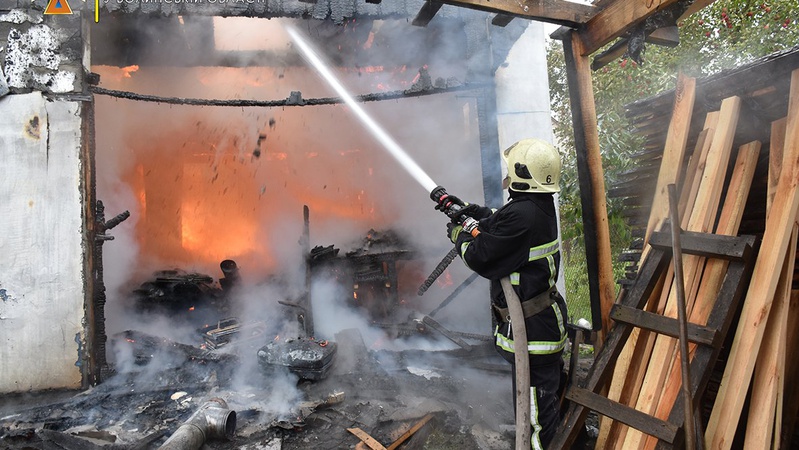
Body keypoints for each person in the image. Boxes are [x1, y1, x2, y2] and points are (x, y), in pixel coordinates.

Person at [441, 138, 568, 449]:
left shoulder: (524, 216)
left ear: (522, 173)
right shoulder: (534, 207)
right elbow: (502, 222)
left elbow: (483, 255)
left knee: (536, 421)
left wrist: (460, 235)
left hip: (533, 335)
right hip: (539, 327)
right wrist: (473, 212)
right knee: (542, 406)